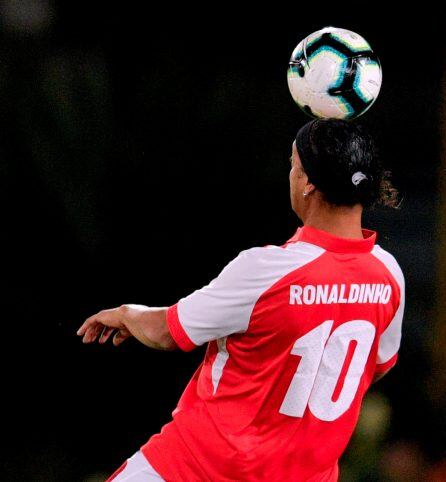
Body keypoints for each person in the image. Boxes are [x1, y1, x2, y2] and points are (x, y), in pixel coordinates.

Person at [77, 119, 405, 481]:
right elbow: (375, 366)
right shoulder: (389, 276)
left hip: (194, 468)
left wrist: (127, 313)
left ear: (308, 183)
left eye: (293, 165)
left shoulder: (267, 270)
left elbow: (166, 331)